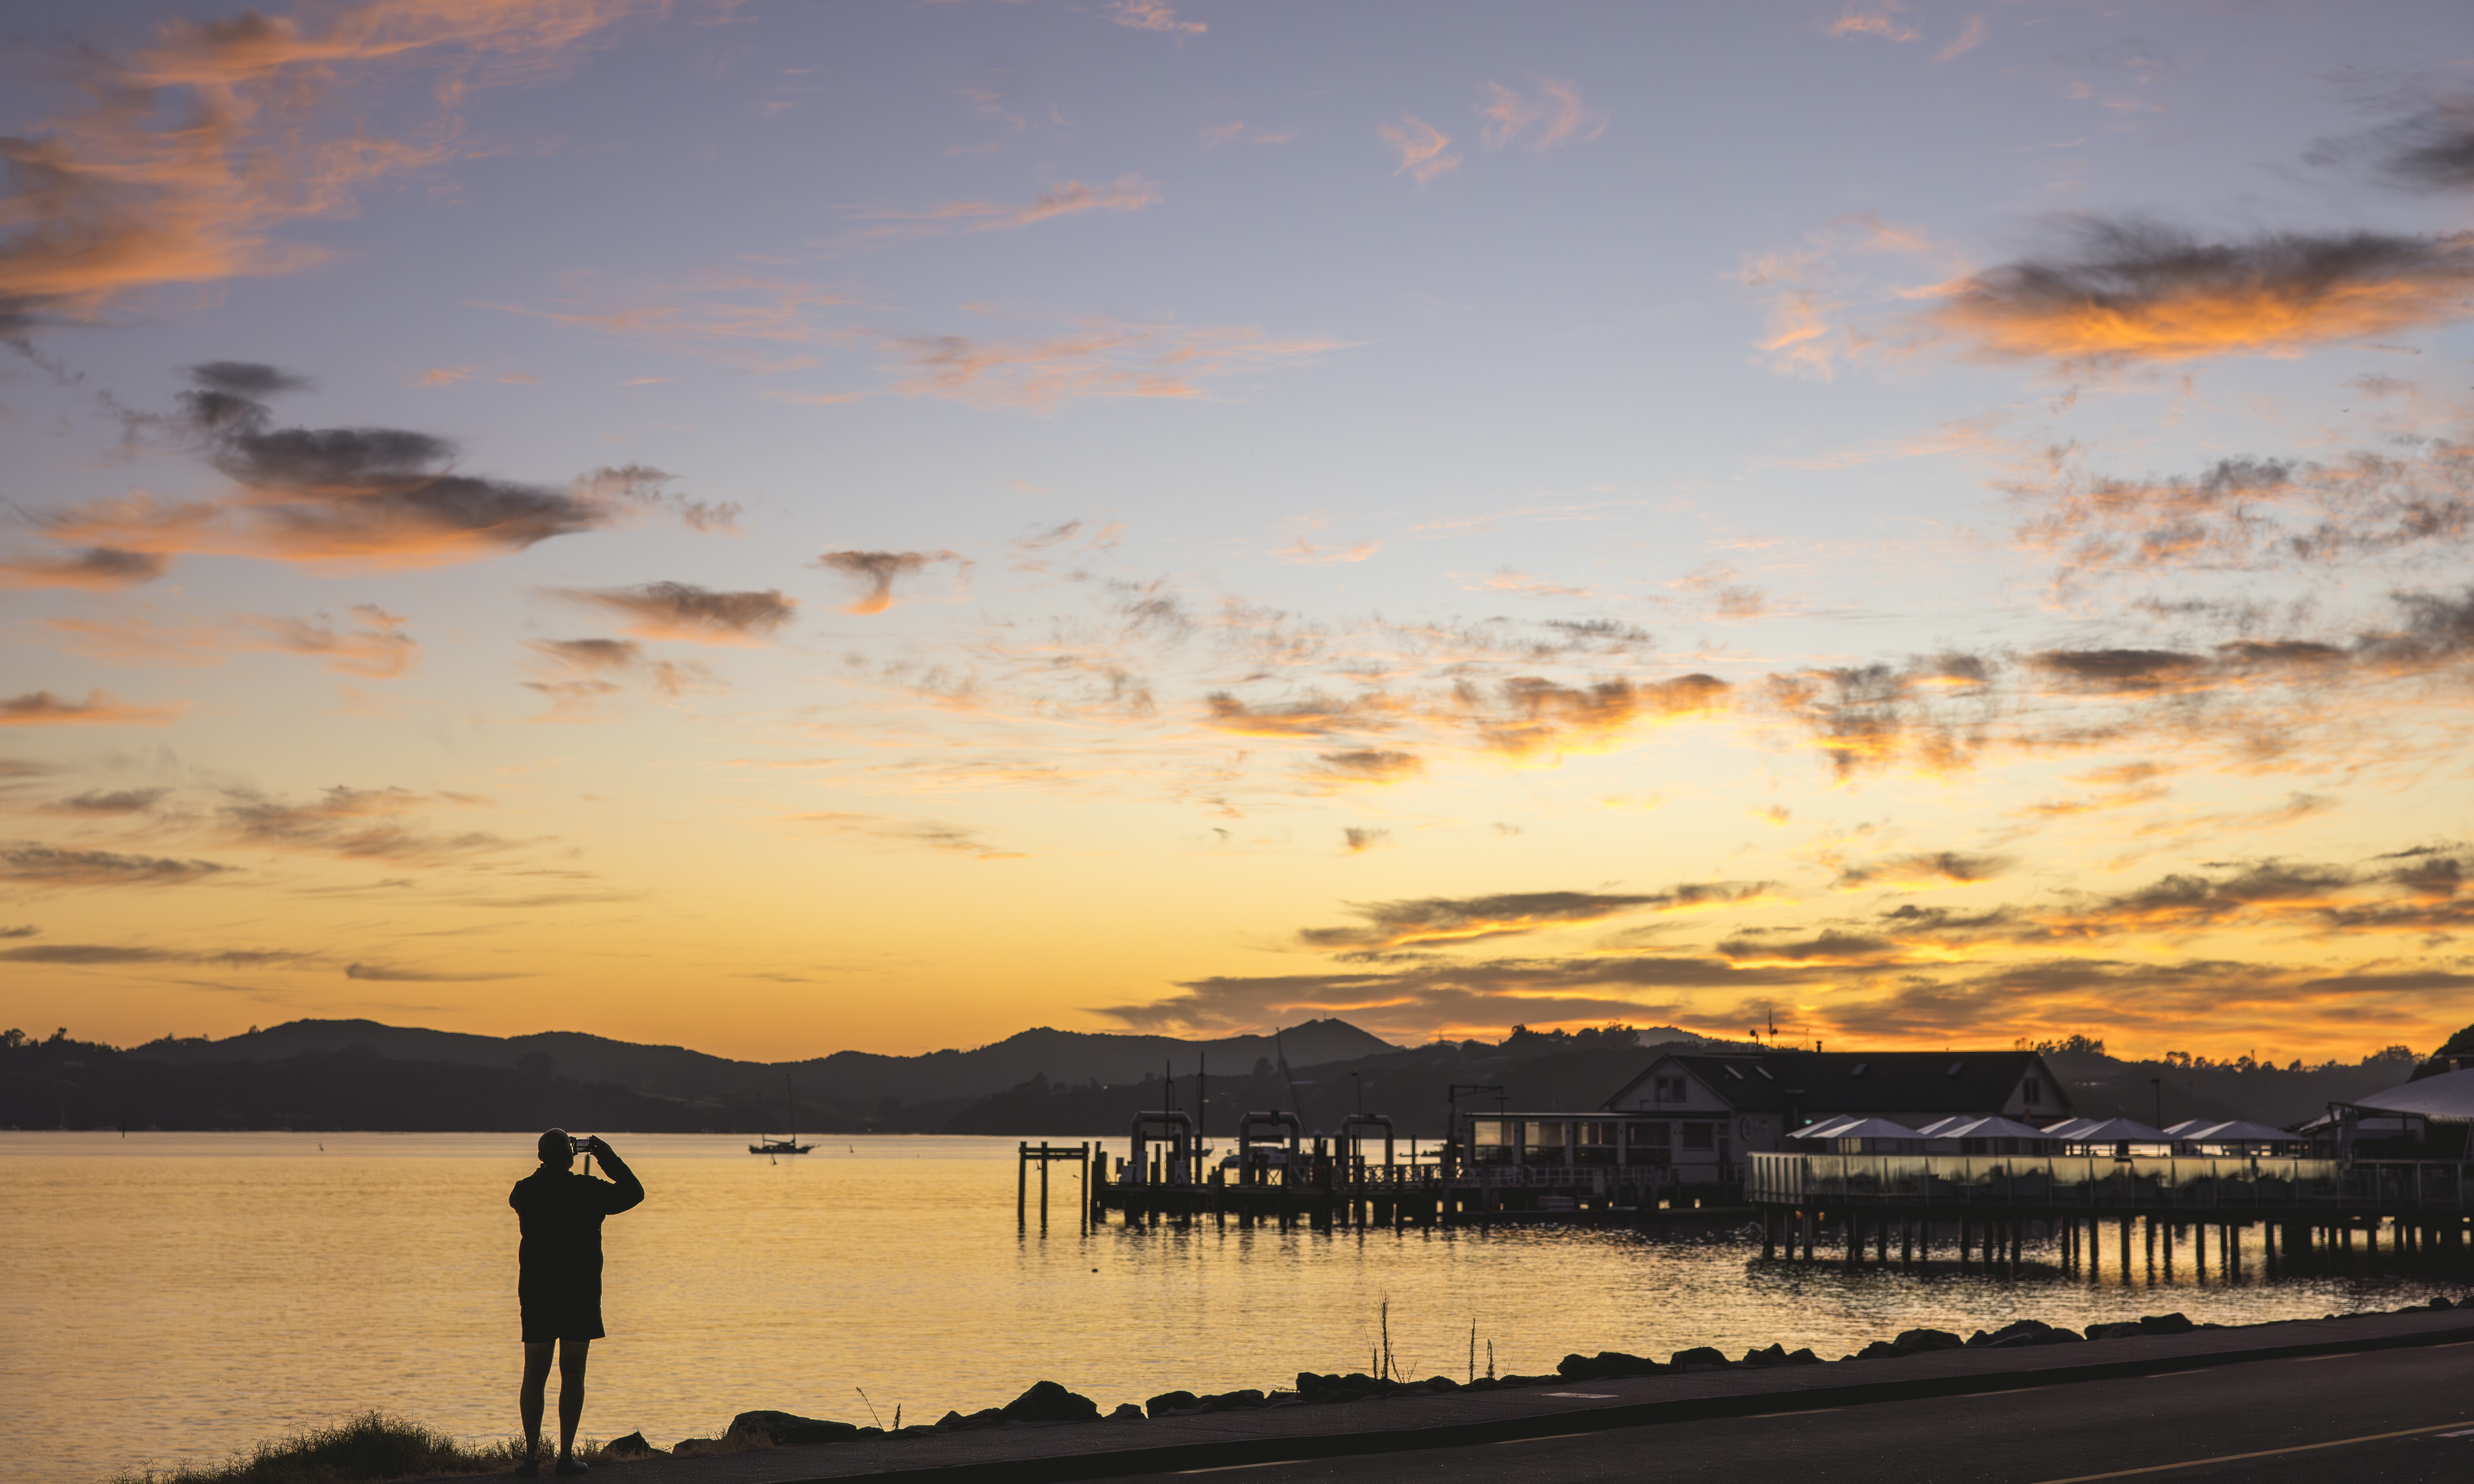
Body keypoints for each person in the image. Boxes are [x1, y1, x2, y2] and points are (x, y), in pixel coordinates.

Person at [509, 1130, 645, 1476]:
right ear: (571, 1156)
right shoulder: (588, 1190)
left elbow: (521, 1196)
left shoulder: (524, 1190)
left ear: (541, 1156)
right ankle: (566, 1456)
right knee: (573, 1372)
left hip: (538, 1292)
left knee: (534, 1374)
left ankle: (530, 1457)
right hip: (579, 1293)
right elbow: (634, 1192)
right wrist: (606, 1156)